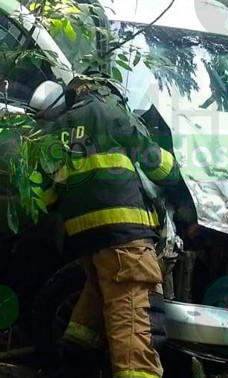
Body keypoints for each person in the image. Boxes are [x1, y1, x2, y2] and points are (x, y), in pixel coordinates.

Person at [34, 75, 189, 378]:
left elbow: (47, 197)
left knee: (95, 300)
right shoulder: (111, 113)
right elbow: (156, 163)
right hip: (125, 235)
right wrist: (181, 177)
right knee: (133, 317)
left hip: (84, 239)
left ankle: (73, 364)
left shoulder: (53, 131)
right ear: (107, 92)